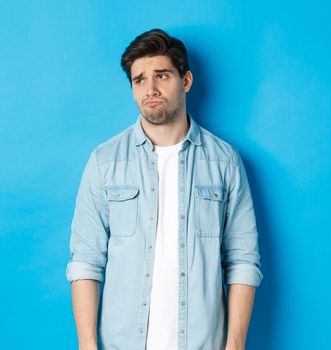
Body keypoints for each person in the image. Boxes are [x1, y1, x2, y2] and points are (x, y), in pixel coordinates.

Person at [66, 28, 262, 350]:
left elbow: (242, 261)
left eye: (161, 75)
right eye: (139, 80)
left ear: (185, 81)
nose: (150, 89)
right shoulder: (105, 162)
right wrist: (87, 347)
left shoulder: (225, 162)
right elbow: (86, 261)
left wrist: (235, 345)